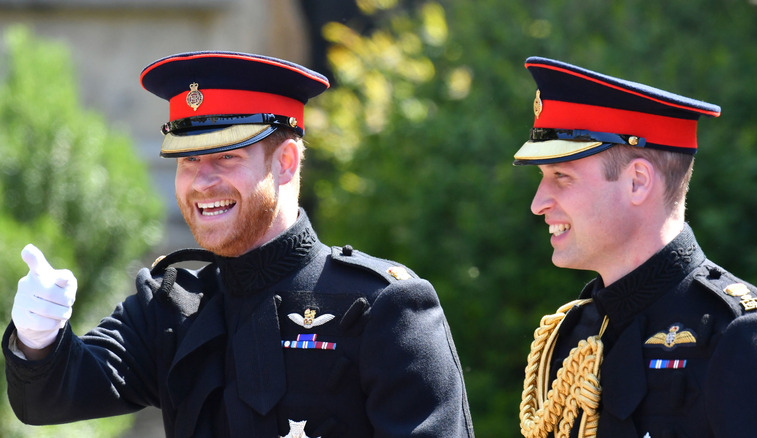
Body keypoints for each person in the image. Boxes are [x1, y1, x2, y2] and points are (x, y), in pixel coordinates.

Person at [3, 51, 474, 438]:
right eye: (187, 161)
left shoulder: (381, 307)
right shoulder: (172, 310)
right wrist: (39, 338)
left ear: (286, 162)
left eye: (226, 157)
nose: (201, 182)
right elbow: (50, 397)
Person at [513, 56, 757, 438]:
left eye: (561, 176)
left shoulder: (738, 335)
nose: (538, 203)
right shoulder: (575, 334)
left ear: (637, 181)